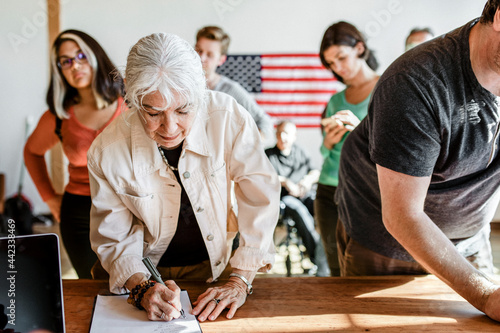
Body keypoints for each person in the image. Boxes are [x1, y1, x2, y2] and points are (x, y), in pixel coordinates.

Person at [87, 32, 280, 322]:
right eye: (153, 112)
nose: (170, 127)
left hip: (214, 266)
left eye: (183, 109)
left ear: (199, 94)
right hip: (137, 270)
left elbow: (260, 196)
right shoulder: (108, 150)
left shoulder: (227, 117)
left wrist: (240, 279)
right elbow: (114, 236)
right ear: (133, 99)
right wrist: (141, 287)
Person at [336, 0, 500, 321]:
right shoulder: (416, 81)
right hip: (387, 247)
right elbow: (402, 217)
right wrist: (485, 295)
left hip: (471, 239)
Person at [23, 29, 125, 279]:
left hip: (130, 207)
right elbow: (31, 152)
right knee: (93, 285)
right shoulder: (60, 116)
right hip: (80, 215)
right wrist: (49, 198)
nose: (74, 65)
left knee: (136, 283)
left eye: (80, 56)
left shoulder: (130, 102)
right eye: (65, 61)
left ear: (95, 56)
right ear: (59, 69)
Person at [315, 21, 379, 276]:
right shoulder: (335, 100)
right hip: (328, 190)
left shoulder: (386, 88)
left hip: (365, 192)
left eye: (341, 57)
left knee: (360, 269)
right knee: (334, 267)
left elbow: (393, 147)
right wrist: (328, 142)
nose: (338, 68)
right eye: (331, 63)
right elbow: (325, 153)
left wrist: (360, 129)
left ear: (360, 48)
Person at [265, 121, 330, 276]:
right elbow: (265, 176)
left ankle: (328, 256)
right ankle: (317, 259)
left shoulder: (300, 152)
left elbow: (315, 171)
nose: (283, 137)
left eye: (287, 133)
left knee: (323, 206)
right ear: (276, 135)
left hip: (304, 194)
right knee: (298, 210)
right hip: (284, 200)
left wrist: (306, 181)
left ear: (294, 136)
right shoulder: (268, 155)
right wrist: (286, 182)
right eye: (280, 133)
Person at [194, 26, 273, 140]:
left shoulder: (230, 90)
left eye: (210, 55)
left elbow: (264, 122)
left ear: (221, 60)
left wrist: (245, 148)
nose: (201, 57)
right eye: (199, 50)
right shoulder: (179, 84)